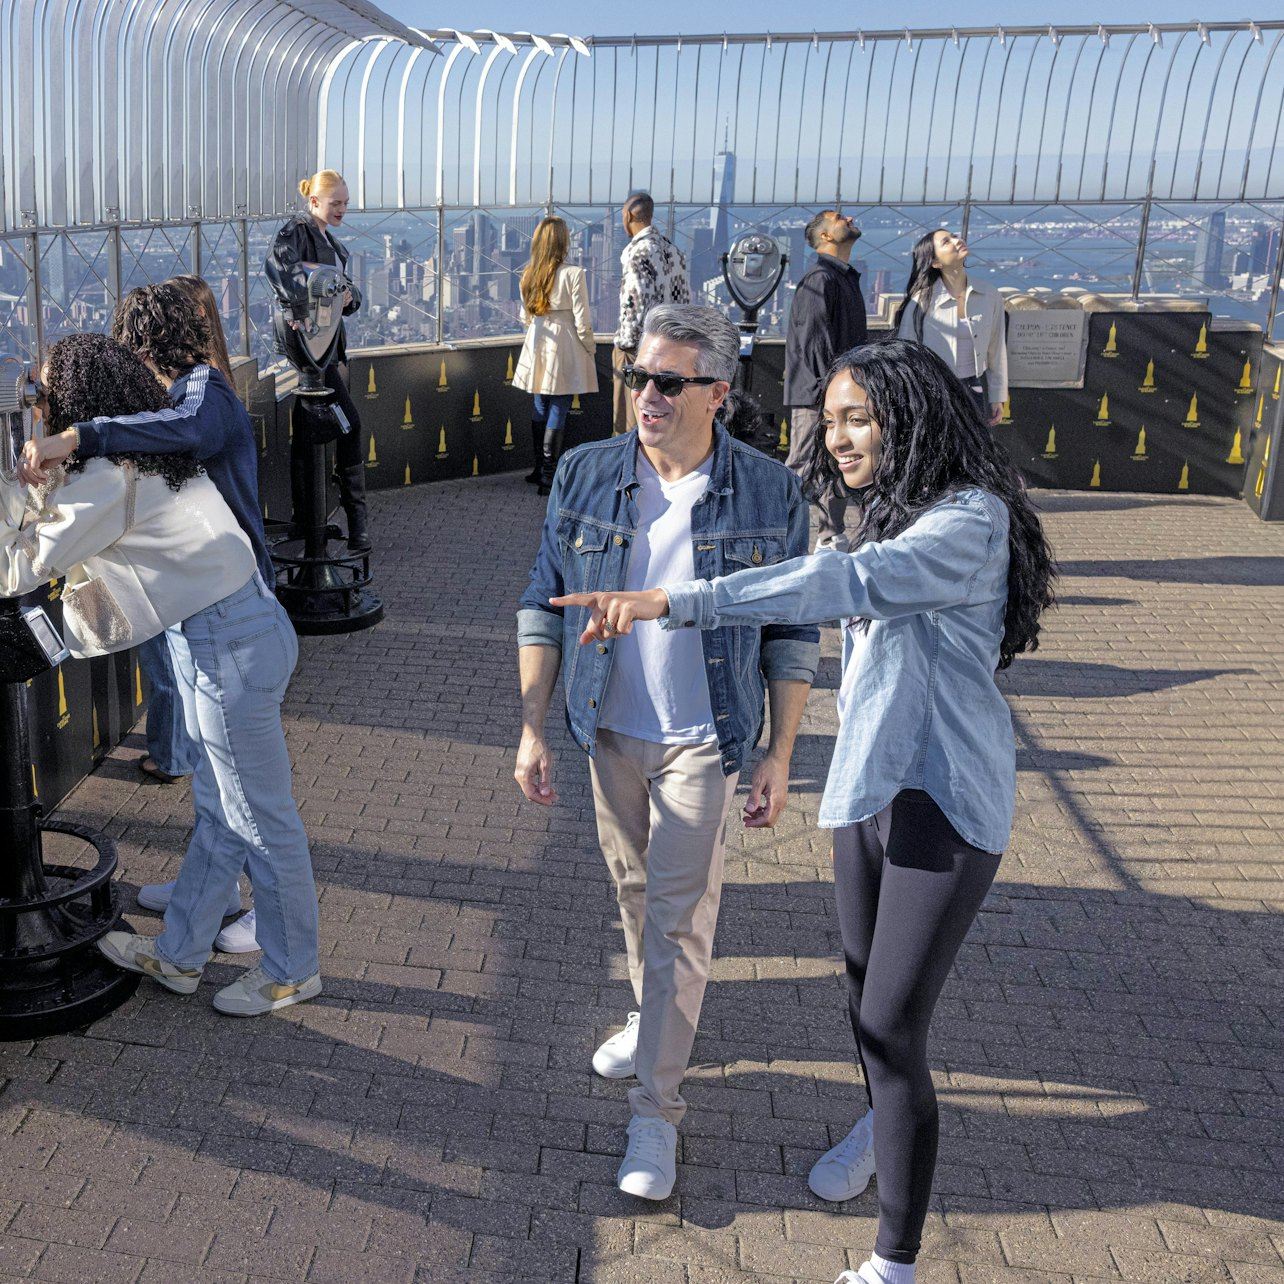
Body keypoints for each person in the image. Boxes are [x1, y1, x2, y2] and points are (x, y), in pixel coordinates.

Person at [551, 338, 1057, 1284]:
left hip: (944, 804)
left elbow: (842, 586)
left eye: (859, 418)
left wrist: (676, 601)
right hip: (869, 789)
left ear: (910, 418)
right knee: (866, 1004)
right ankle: (882, 1122)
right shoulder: (887, 511)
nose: (840, 438)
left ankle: (893, 1262)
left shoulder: (969, 522)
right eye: (830, 421)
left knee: (893, 1029)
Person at [516, 303, 819, 1202]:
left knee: (681, 923)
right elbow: (542, 601)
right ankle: (652, 1019)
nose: (645, 394)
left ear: (718, 394)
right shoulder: (584, 472)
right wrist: (533, 726)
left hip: (703, 741)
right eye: (636, 374)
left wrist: (778, 751)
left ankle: (656, 1111)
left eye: (668, 381)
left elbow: (791, 631)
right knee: (635, 891)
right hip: (607, 728)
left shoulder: (770, 493)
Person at [4, 333, 322, 1016]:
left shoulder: (109, 478)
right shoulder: (148, 456)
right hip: (237, 629)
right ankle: (179, 956)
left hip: (226, 646)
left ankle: (293, 969)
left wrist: (23, 462)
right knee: (222, 814)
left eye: (47, 389)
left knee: (260, 819)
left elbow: (18, 567)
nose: (43, 400)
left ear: (76, 398)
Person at [134, 274, 236, 789]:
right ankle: (182, 751)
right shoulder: (217, 382)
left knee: (170, 658)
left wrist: (85, 433)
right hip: (221, 568)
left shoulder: (200, 393)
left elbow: (184, 435)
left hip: (198, 566)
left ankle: (173, 754)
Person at [265, 168, 370, 552]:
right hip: (310, 350)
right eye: (335, 203)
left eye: (345, 202)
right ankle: (348, 523)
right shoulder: (297, 231)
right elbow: (280, 267)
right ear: (314, 202)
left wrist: (349, 297)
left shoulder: (331, 242)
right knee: (348, 424)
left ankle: (320, 519)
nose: (342, 209)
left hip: (324, 349)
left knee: (321, 431)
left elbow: (347, 291)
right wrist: (298, 310)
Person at [783, 209, 868, 552]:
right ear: (826, 237)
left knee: (837, 460)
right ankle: (774, 534)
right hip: (817, 396)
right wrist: (828, 396)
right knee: (802, 467)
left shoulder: (842, 278)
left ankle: (830, 534)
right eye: (837, 218)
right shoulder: (820, 280)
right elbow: (812, 343)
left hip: (833, 394)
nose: (847, 218)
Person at [512, 216, 599, 495]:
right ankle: (549, 475)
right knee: (559, 404)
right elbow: (582, 320)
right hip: (564, 342)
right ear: (563, 241)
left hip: (538, 339)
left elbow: (525, 316)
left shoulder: (528, 274)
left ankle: (539, 468)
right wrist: (589, 349)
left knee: (540, 403)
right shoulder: (574, 274)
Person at [895, 228, 1008, 427]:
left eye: (955, 236)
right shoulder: (919, 303)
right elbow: (906, 357)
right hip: (933, 393)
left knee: (975, 453)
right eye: (946, 242)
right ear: (935, 262)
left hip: (974, 391)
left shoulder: (989, 295)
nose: (957, 241)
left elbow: (996, 349)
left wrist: (997, 396)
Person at [612, 193, 691, 435]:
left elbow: (635, 306)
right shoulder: (673, 251)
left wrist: (625, 346)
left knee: (630, 420)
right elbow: (684, 300)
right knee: (660, 419)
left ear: (628, 216)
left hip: (638, 350)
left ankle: (628, 468)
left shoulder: (638, 254)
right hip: (671, 348)